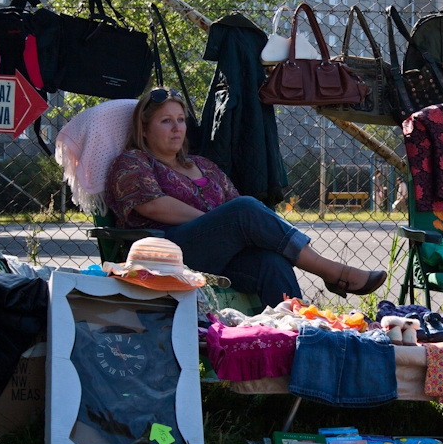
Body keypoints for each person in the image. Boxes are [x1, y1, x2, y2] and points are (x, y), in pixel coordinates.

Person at [106, 87, 386, 306]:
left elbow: (237, 210)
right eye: (166, 121)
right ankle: (332, 271)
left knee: (272, 264)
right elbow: (154, 205)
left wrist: (227, 224)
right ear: (144, 129)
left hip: (220, 255)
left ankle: (295, 337)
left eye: (181, 120)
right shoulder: (134, 161)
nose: (178, 128)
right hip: (168, 253)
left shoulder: (203, 165)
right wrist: (219, 222)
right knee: (244, 211)